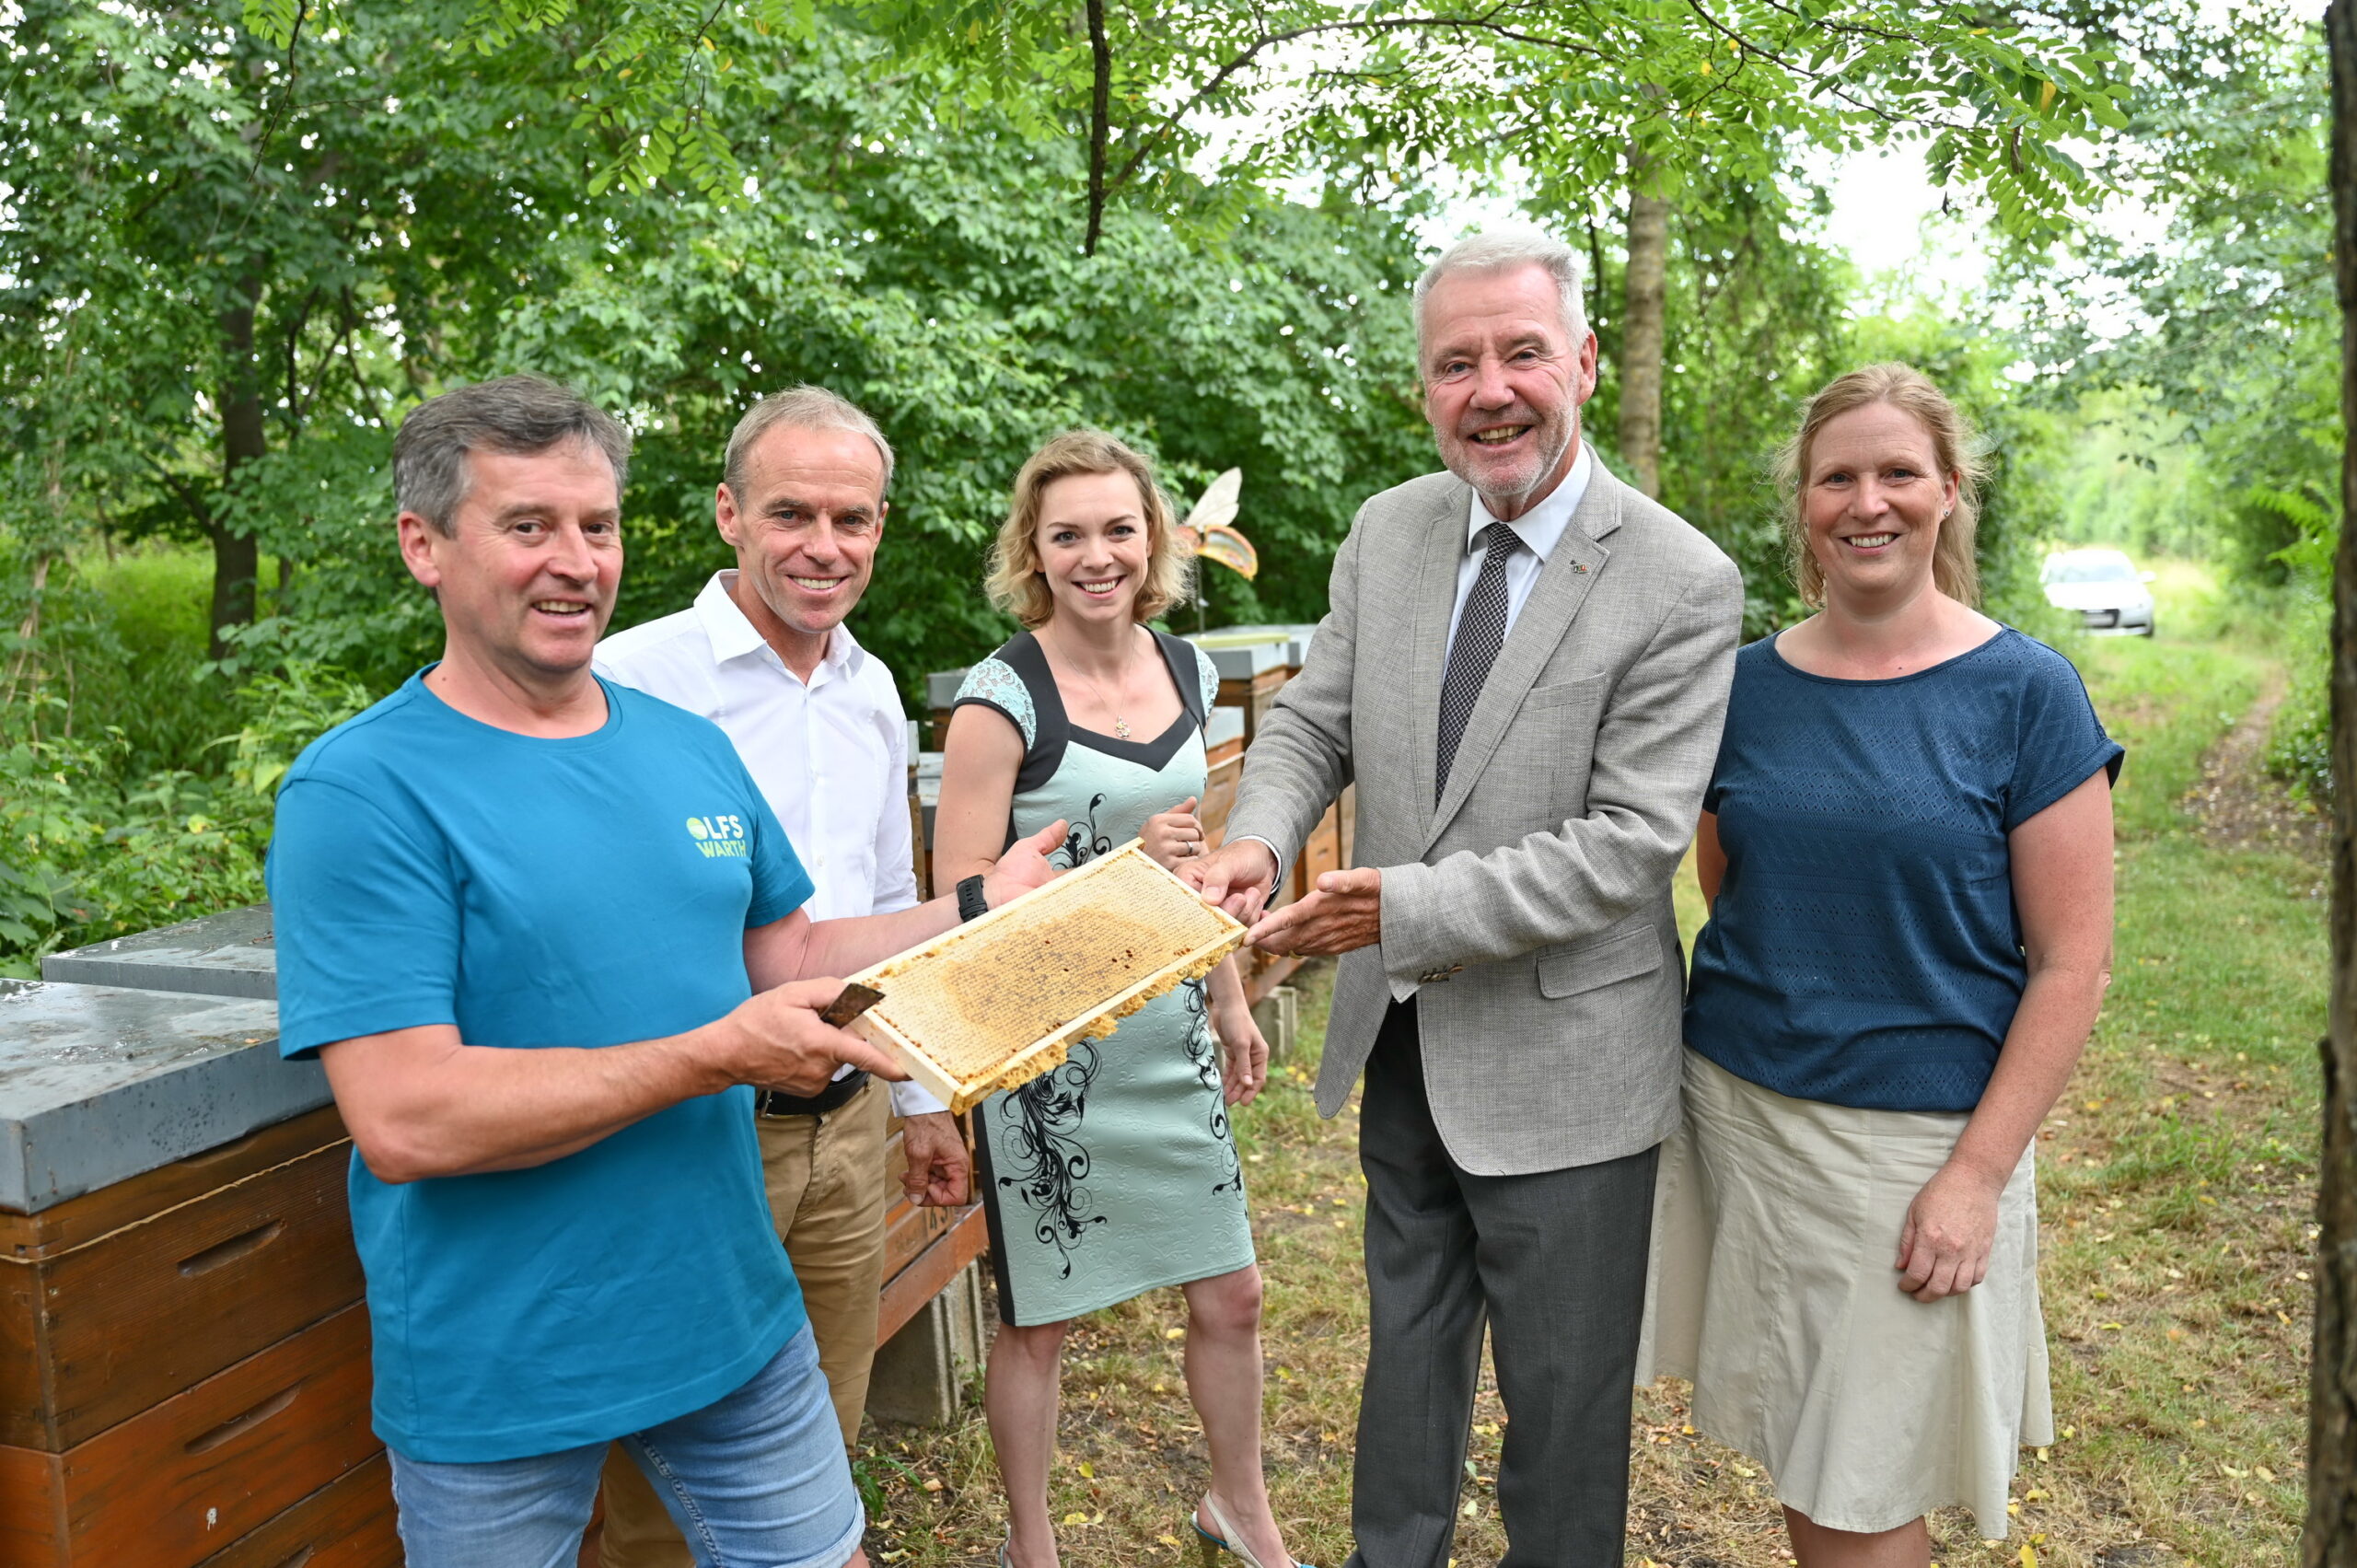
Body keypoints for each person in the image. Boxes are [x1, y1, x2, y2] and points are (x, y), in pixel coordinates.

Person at [266, 375, 1062, 1568]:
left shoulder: (686, 747)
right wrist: (715, 1054)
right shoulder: (360, 789)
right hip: (502, 1354)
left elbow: (785, 950)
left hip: (729, 1308)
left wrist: (977, 903)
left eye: (598, 525)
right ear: (423, 545)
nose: (575, 560)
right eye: (528, 525)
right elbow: (404, 1117)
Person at [1184, 229, 1747, 1568]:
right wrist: (1259, 842)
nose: (1489, 388)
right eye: (1455, 363)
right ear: (1424, 386)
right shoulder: (1391, 529)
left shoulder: (1680, 578)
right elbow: (1312, 723)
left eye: (1520, 353)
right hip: (1404, 1043)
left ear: (1585, 362)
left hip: (1573, 1064)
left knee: (1561, 1414)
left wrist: (1401, 908)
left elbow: (1626, 845)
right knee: (1407, 1363)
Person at [1637, 364, 2120, 1567]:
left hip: (1921, 1144)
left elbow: (2073, 961)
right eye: (1837, 475)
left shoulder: (2026, 690)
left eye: (1899, 471)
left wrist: (1975, 1173)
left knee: (1856, 1485)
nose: (1869, 500)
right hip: (1743, 1114)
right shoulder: (1740, 687)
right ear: (1801, 503)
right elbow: (1731, 883)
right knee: (1811, 1454)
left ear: (1949, 491)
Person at [591, 387, 969, 1568]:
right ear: (727, 514)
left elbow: (878, 898)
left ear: (880, 527)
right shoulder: (628, 678)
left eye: (850, 518)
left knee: (820, 1446)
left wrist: (920, 1098)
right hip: (691, 1133)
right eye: (790, 511)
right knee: (669, 1474)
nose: (823, 544)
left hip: (847, 1128)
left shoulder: (870, 687)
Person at [933, 429, 1301, 1568]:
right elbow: (959, 909)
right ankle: (1031, 1546)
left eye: (1117, 529)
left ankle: (1239, 1504)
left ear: (1154, 541)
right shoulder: (998, 700)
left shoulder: (1187, 668)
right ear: (1033, 553)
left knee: (1232, 1290)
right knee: (1041, 1319)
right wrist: (1112, 864)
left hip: (1169, 1029)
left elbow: (1189, 869)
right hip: (1046, 1052)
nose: (1097, 554)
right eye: (1068, 535)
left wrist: (1230, 1003)